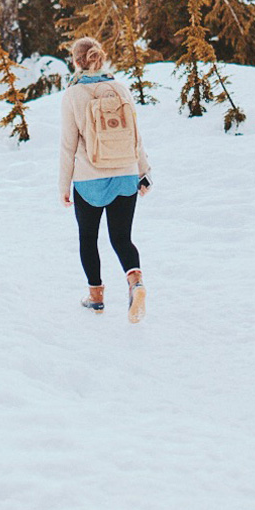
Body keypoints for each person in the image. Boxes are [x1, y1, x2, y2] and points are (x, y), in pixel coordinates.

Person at [59, 36, 151, 323]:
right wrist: (143, 172)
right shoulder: (120, 88)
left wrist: (64, 187)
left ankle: (96, 297)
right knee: (122, 238)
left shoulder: (73, 95)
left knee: (88, 237)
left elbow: (68, 145)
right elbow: (135, 135)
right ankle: (135, 283)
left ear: (75, 61)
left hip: (90, 178)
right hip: (125, 173)